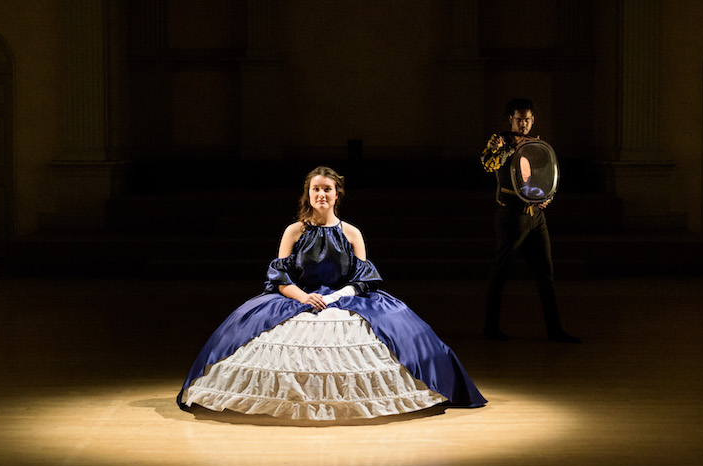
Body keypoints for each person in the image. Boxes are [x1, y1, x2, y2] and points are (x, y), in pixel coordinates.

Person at [177, 166, 487, 420]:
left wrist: (335, 298)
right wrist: (303, 297)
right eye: (316, 189)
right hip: (297, 297)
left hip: (344, 298)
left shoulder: (351, 232)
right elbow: (279, 278)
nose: (321, 194)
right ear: (308, 194)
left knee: (404, 328)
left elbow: (364, 278)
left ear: (337, 194)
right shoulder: (294, 230)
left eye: (327, 189)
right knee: (242, 327)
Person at [480, 98, 580, 343]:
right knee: (500, 272)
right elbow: (487, 163)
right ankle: (490, 329)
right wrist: (508, 149)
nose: (523, 124)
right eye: (518, 119)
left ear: (532, 120)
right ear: (510, 120)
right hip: (511, 217)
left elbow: (543, 177)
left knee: (546, 273)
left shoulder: (537, 144)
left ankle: (555, 330)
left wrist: (546, 198)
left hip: (536, 217)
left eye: (527, 120)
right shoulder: (501, 140)